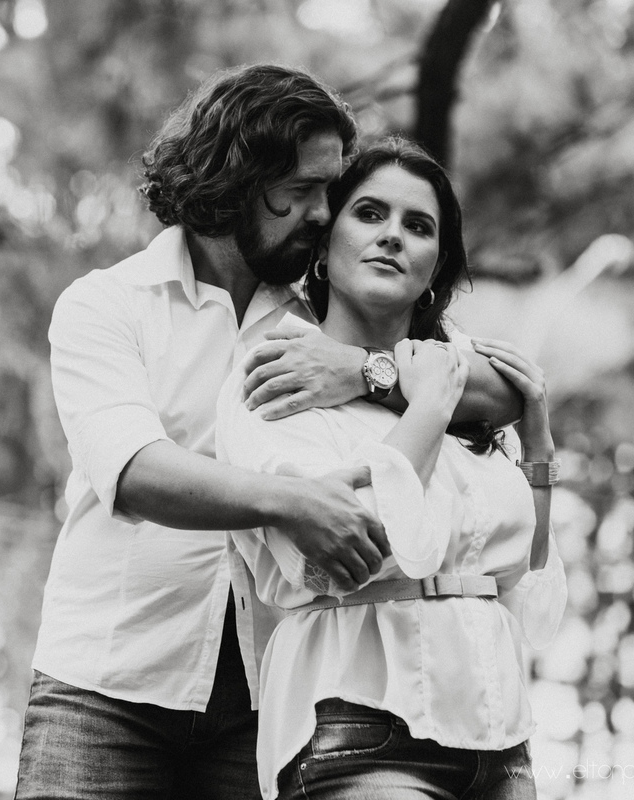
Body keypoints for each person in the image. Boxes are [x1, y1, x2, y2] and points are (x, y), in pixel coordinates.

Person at [16, 65, 521, 800]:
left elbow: (502, 392)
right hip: (106, 685)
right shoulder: (108, 304)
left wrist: (365, 370)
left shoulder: (326, 313)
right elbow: (135, 470)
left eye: (331, 190)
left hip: (268, 699)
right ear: (235, 179)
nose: (323, 213)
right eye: (304, 189)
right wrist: (294, 503)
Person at [216, 135, 568, 800]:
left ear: (435, 268)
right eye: (370, 214)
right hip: (359, 727)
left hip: (499, 740)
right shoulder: (275, 374)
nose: (392, 236)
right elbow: (351, 549)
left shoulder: (461, 387)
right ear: (323, 247)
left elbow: (521, 574)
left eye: (419, 226)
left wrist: (539, 448)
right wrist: (426, 407)